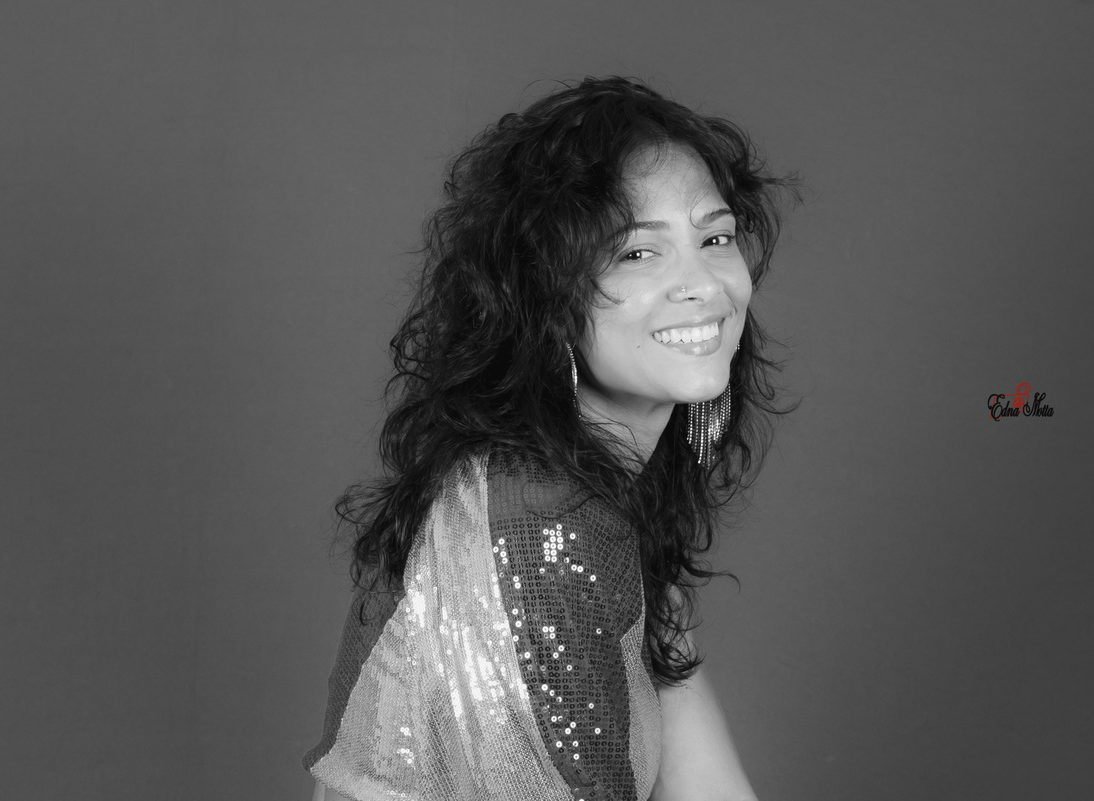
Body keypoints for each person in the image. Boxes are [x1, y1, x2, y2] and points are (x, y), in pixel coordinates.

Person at [304, 76, 791, 801]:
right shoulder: (542, 528)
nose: (703, 284)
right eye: (636, 252)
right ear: (546, 298)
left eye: (714, 238)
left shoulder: (601, 506)